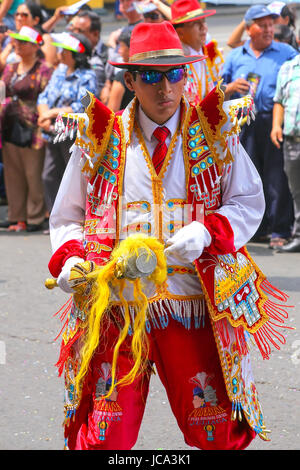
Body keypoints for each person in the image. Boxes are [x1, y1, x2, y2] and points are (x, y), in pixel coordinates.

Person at [46, 21, 291, 451]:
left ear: (187, 76)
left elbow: (249, 201)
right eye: (152, 77)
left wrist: (207, 231)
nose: (166, 89)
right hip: (117, 306)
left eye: (175, 74)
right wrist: (69, 259)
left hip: (192, 304)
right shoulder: (99, 138)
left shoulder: (214, 134)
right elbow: (68, 215)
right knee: (106, 435)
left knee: (213, 430)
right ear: (129, 80)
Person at [222, 4, 298, 249]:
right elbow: (218, 90)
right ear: (249, 29)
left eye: (270, 25)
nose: (268, 30)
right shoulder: (235, 56)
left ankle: (280, 229)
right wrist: (231, 88)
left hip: (273, 121)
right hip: (242, 124)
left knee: (277, 178)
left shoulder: (286, 52)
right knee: (247, 178)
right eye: (262, 25)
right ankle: (257, 229)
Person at [37, 32, 98, 217]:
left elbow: (82, 105)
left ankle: (80, 217)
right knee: (49, 175)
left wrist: (52, 113)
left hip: (73, 135)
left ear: (75, 54)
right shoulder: (59, 71)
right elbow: (44, 96)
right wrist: (44, 115)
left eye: (65, 50)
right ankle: (57, 216)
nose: (60, 53)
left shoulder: (87, 75)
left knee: (74, 178)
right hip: (53, 132)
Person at [0, 26, 53, 232]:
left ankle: (34, 216)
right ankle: (16, 216)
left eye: (22, 42)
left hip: (32, 128)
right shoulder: (11, 67)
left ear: (34, 46)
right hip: (10, 126)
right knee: (12, 173)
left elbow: (46, 95)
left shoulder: (44, 69)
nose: (17, 45)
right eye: (16, 42)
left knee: (33, 172)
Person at [271, 54, 300, 253]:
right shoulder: (288, 67)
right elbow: (279, 101)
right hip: (292, 141)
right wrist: (275, 126)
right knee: (296, 191)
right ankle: (298, 236)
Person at [170, 0, 224, 105]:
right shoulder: (175, 63)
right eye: (196, 23)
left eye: (203, 21)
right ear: (180, 33)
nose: (203, 27)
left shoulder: (208, 51)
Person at [67, 10, 109, 97]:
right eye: (73, 29)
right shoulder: (69, 53)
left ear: (95, 34)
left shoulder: (108, 55)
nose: (75, 34)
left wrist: (108, 86)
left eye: (80, 31)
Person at [227, 1, 298, 50]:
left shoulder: (292, 41)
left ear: (286, 20)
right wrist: (247, 19)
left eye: (274, 18)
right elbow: (233, 43)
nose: (271, 22)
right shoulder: (262, 39)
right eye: (268, 18)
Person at [107, 29, 134, 111]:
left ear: (131, 49)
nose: (119, 51)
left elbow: (111, 112)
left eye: (122, 46)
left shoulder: (122, 77)